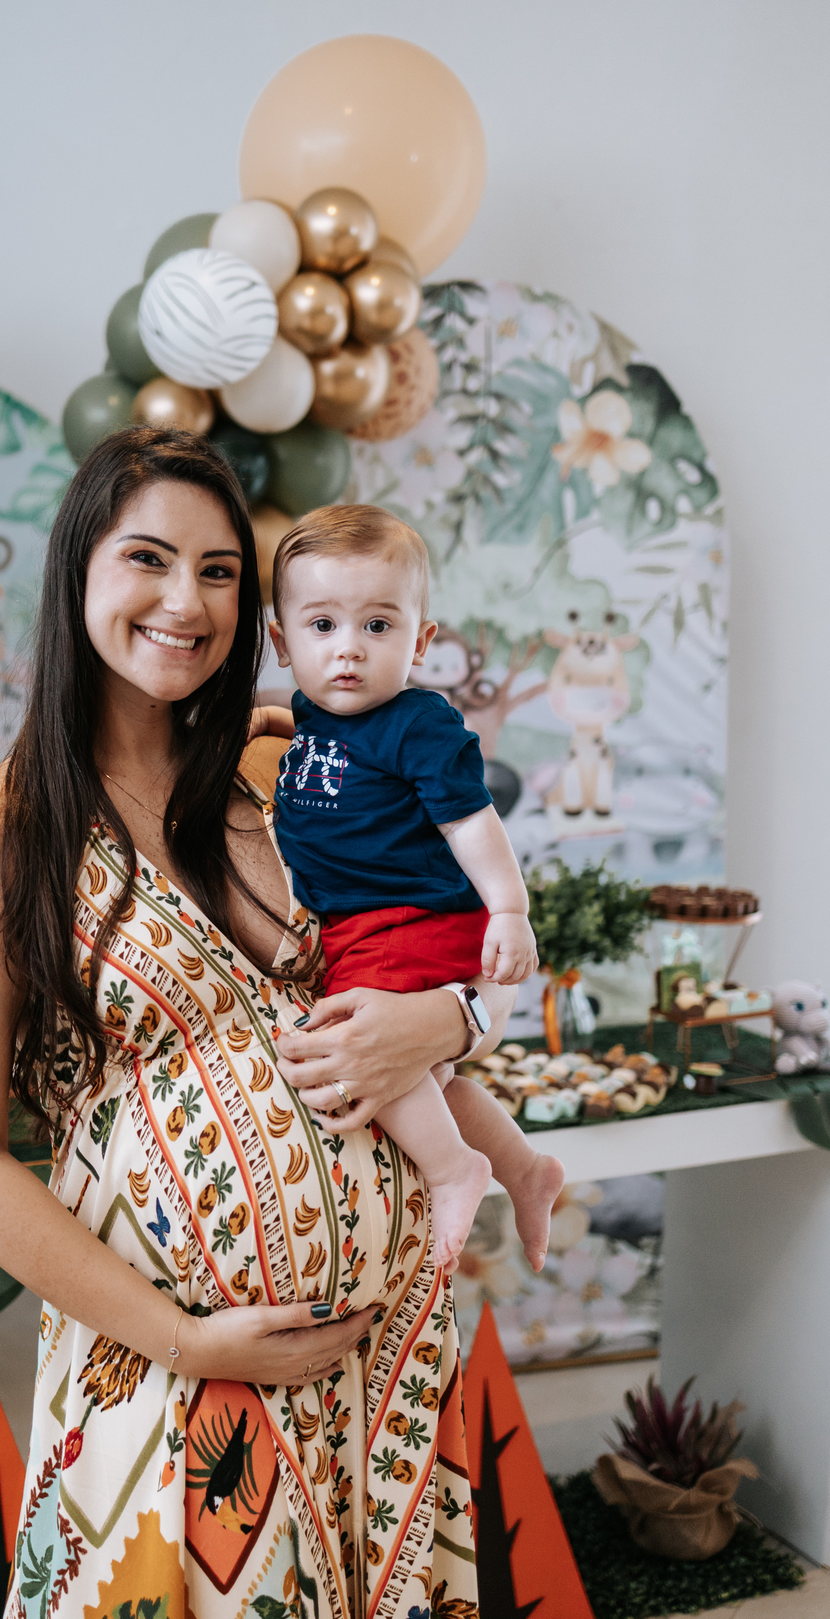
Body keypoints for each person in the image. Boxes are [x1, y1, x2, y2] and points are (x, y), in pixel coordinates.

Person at [0, 429, 507, 1619]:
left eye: (222, 571)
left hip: (376, 1373)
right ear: (78, 576)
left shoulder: (290, 775)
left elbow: (467, 960)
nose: (188, 601)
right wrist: (189, 1335)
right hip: (173, 1376)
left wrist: (453, 1019)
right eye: (150, 559)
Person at [265, 504, 564, 1271]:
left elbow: (470, 821)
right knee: (422, 1079)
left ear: (421, 641)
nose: (348, 652)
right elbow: (319, 744)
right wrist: (274, 722)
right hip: (362, 926)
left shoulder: (418, 723)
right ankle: (527, 1170)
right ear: (281, 641)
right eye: (323, 626)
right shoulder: (310, 716)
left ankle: (454, 1169)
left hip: (410, 921)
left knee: (351, 1050)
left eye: (378, 626)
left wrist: (510, 908)